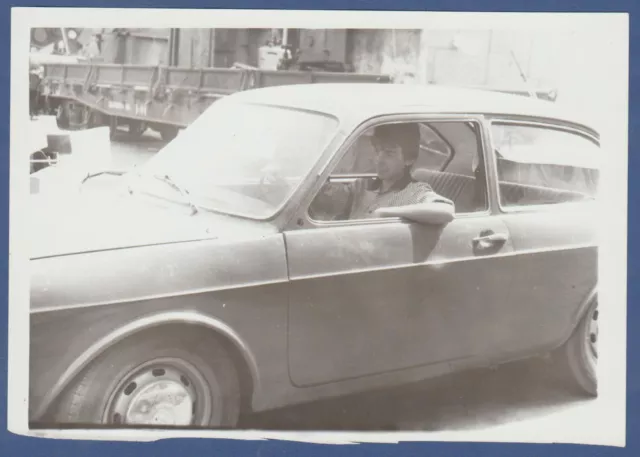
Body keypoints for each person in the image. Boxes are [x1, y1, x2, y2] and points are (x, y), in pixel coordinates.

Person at [312, 123, 455, 224]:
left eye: (389, 153)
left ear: (409, 159)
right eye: (377, 150)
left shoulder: (414, 192)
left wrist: (385, 213)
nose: (378, 160)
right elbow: (334, 203)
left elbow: (446, 210)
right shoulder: (363, 185)